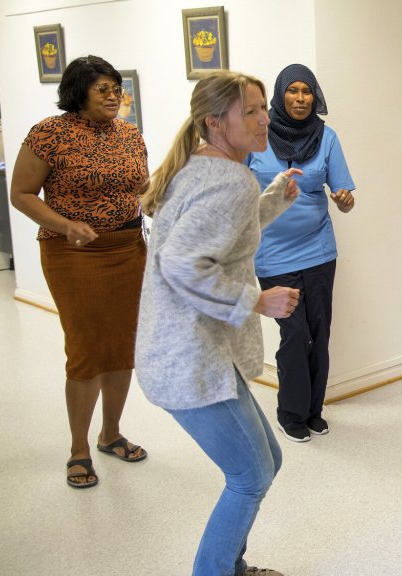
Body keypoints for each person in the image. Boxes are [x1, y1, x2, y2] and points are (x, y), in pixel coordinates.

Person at [136, 70, 301, 576]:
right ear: (215, 121)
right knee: (250, 475)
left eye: (261, 108)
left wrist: (272, 201)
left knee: (266, 459)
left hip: (189, 352)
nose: (263, 119)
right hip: (189, 358)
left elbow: (219, 233)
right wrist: (256, 301)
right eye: (249, 111)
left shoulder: (199, 166)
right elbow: (184, 263)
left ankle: (230, 566)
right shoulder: (229, 178)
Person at [9, 55, 149, 489]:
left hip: (128, 247)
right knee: (87, 347)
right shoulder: (49, 134)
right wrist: (66, 224)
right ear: (77, 92)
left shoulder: (130, 134)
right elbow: (21, 193)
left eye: (116, 88)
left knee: (122, 345)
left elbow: (141, 186)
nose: (113, 96)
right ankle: (79, 449)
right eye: (102, 88)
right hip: (74, 253)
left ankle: (111, 434)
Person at [247, 64, 356, 442]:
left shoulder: (326, 138)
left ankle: (313, 411)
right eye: (292, 90)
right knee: (294, 334)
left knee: (318, 331)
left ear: (315, 96)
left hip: (319, 249)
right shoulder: (256, 137)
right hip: (273, 252)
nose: (300, 98)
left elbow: (344, 197)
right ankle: (290, 412)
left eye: (306, 91)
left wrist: (343, 200)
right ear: (279, 95)